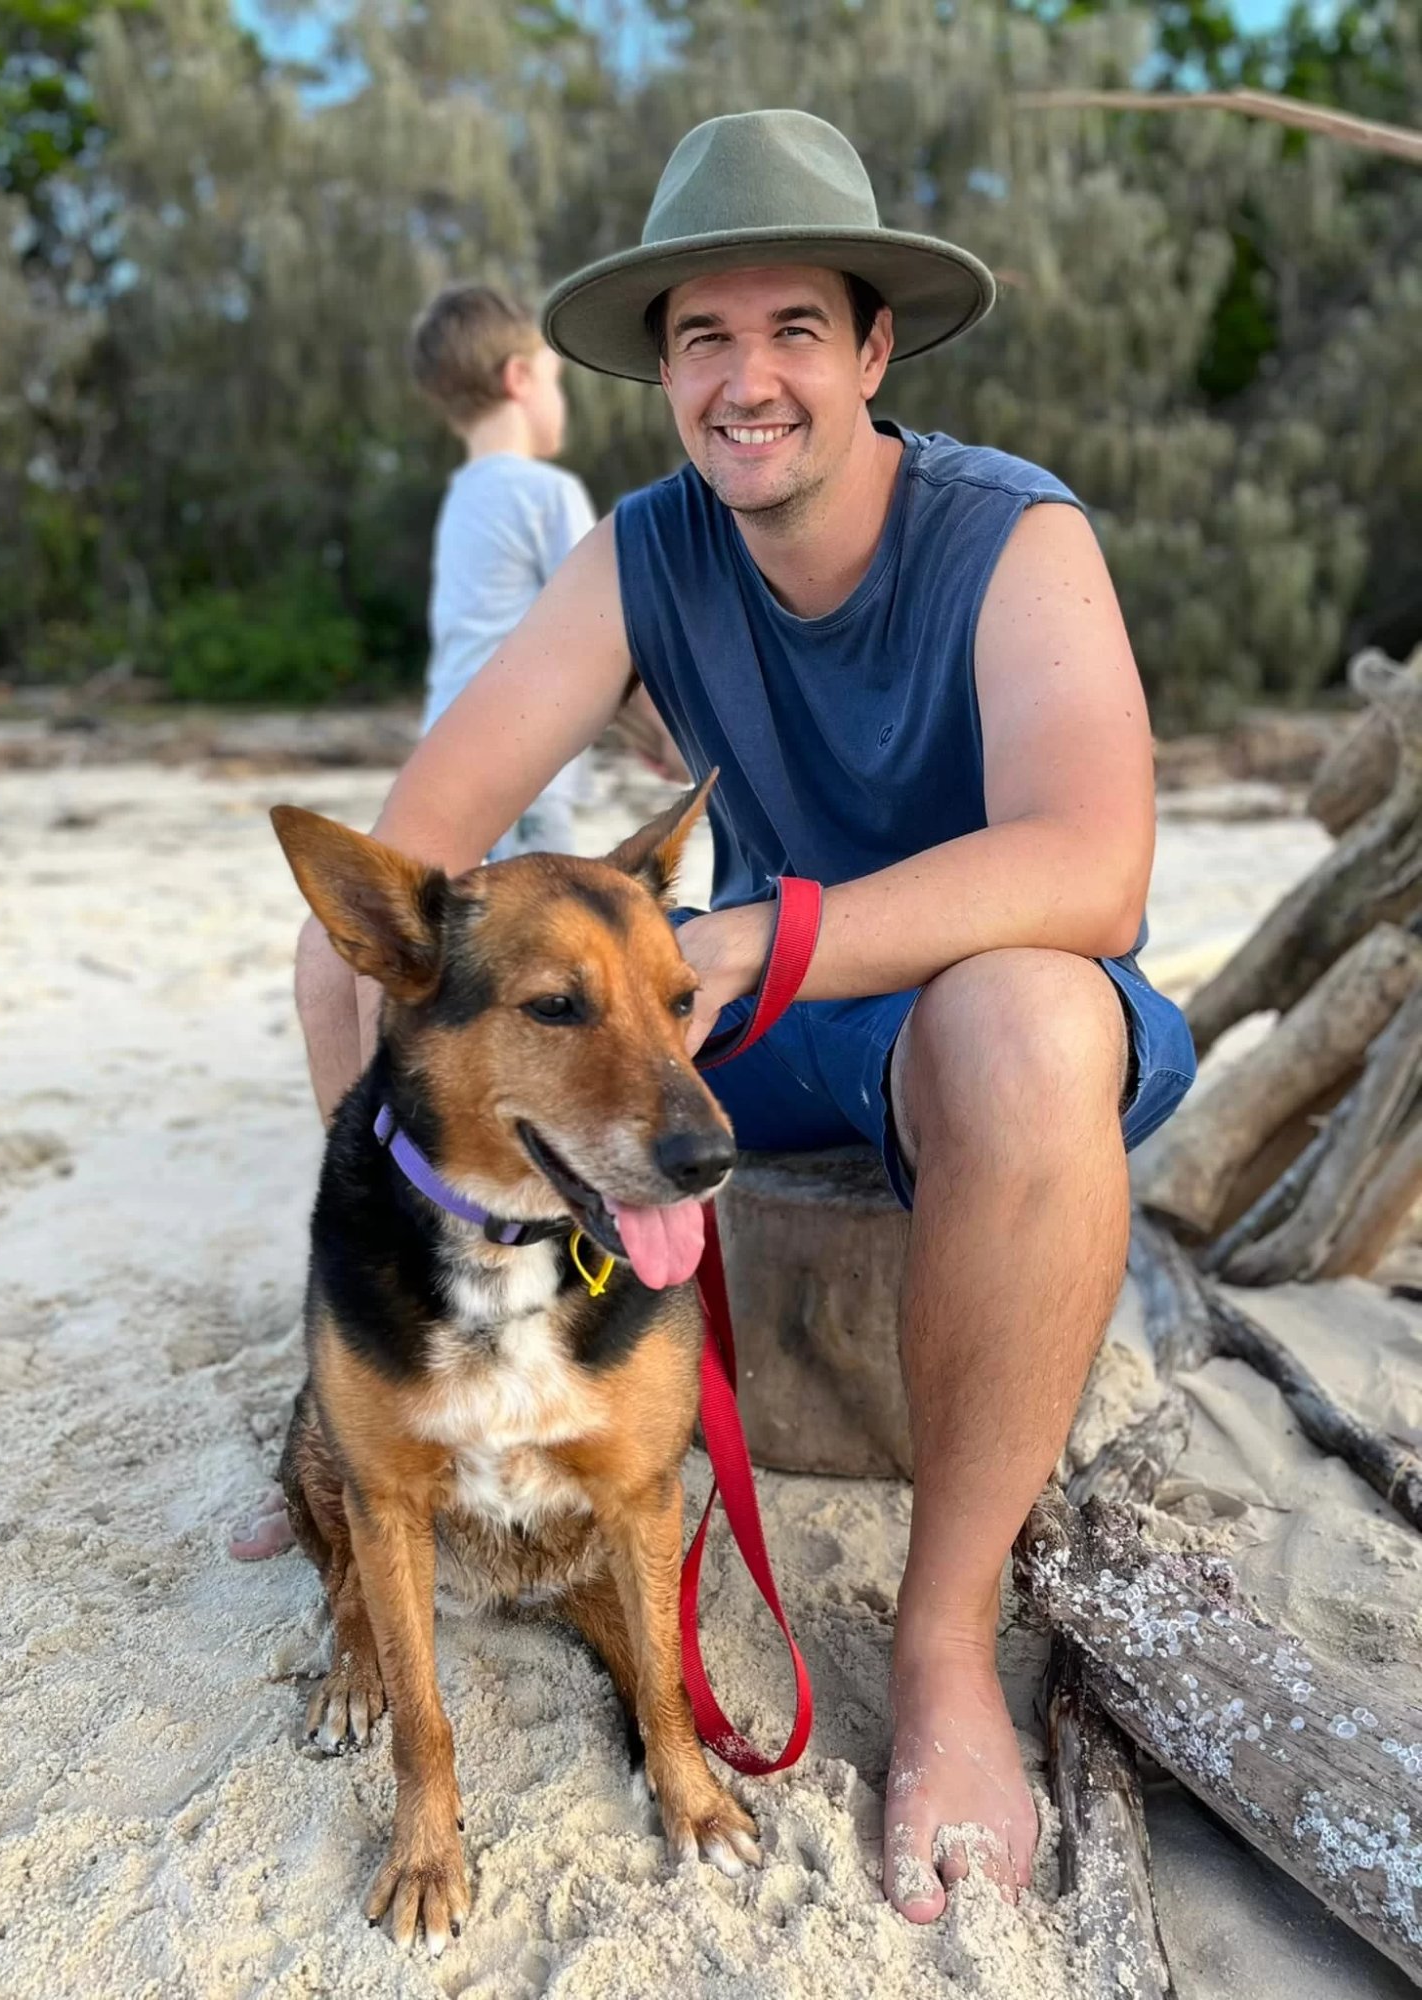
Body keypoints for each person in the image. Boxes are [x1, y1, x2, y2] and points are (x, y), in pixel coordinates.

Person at [273, 109, 1197, 1924]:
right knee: (338, 955)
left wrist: (774, 923)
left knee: (1010, 1018)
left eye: (793, 331)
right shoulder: (644, 550)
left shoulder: (1012, 536)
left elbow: (1096, 870)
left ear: (873, 351)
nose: (745, 379)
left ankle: (942, 1647)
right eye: (704, 336)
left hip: (996, 1008)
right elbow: (420, 853)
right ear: (663, 369)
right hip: (740, 1018)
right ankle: (394, 1381)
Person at [408, 282, 680, 857]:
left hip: (442, 755)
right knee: (534, 919)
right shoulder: (545, 493)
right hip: (517, 759)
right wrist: (668, 731)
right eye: (555, 383)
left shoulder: (462, 498)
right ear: (518, 379)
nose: (561, 404)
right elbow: (605, 627)